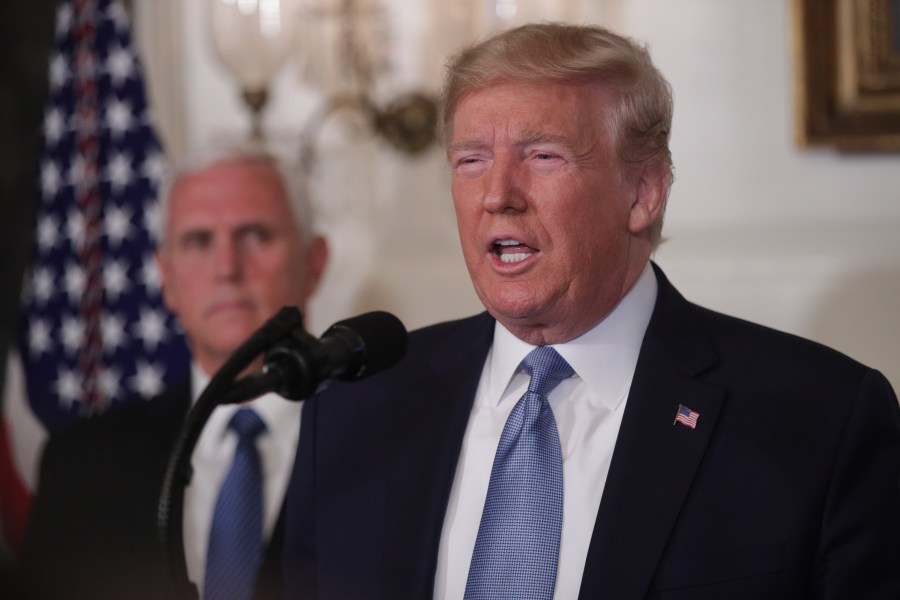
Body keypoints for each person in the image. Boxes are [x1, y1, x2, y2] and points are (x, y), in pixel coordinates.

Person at [282, 22, 900, 599]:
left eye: (543, 156)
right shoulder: (357, 406)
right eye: (471, 160)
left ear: (644, 193)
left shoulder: (821, 419)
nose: (498, 195)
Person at [19, 145, 328, 600]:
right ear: (165, 277)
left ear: (314, 262)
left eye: (256, 235)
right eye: (199, 241)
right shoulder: (81, 468)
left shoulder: (389, 443)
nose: (227, 269)